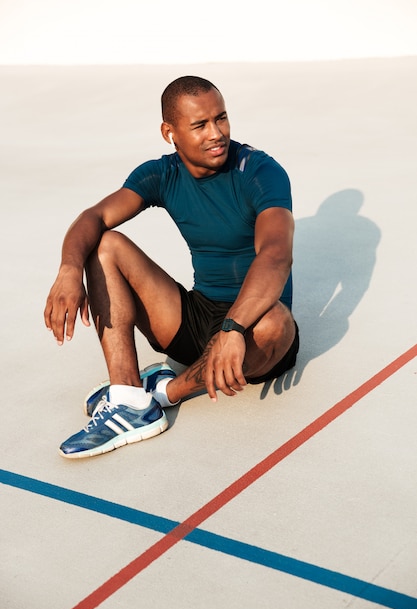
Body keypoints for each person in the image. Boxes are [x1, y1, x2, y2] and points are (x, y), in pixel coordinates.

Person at [44, 75, 299, 459]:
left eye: (222, 118)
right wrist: (68, 269)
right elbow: (94, 216)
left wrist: (234, 327)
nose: (217, 133)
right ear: (170, 132)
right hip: (197, 315)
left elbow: (276, 256)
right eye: (200, 125)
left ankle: (164, 393)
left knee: (278, 323)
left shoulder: (260, 172)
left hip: (254, 326)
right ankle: (129, 397)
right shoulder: (162, 174)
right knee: (104, 245)